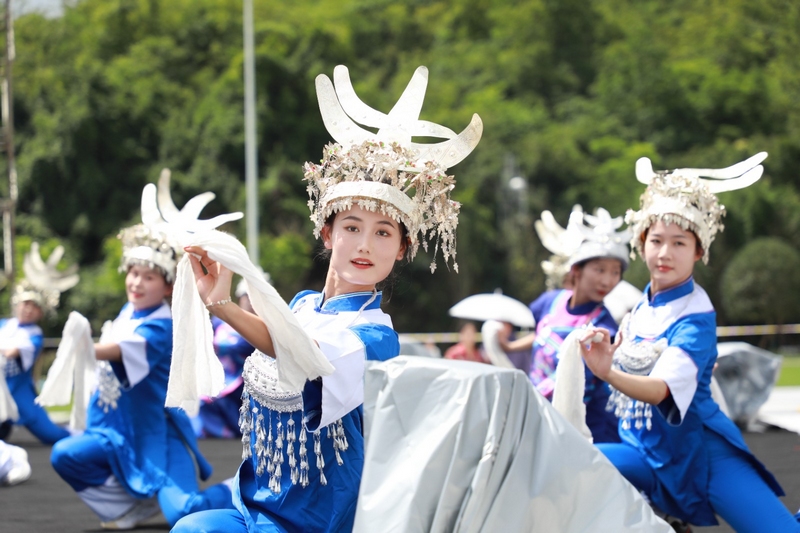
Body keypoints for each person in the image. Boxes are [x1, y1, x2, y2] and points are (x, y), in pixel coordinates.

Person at [170, 64, 481, 532]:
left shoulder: (376, 336)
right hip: (255, 496)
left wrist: (225, 307)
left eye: (382, 233)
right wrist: (219, 299)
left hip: (319, 515)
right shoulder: (297, 307)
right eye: (351, 227)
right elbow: (286, 337)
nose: (363, 246)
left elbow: (304, 358)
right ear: (327, 232)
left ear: (401, 249)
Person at [579, 153, 800, 531]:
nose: (665, 253)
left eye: (679, 243)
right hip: (644, 452)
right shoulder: (641, 306)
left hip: (700, 453)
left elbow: (660, 390)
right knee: (571, 464)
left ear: (699, 251)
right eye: (657, 240)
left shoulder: (696, 316)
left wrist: (608, 373)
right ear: (641, 243)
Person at [50, 171, 239, 529]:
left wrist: (83, 344)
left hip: (154, 435)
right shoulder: (127, 313)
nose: (136, 282)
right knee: (65, 455)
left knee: (186, 512)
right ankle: (133, 506)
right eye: (133, 273)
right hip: (114, 433)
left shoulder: (161, 324)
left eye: (148, 277)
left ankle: (239, 489)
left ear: (168, 287)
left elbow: (117, 351)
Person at [500, 206, 629, 443]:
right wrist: (508, 346)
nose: (607, 280)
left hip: (584, 428)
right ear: (576, 269)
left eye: (615, 272)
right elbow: (541, 334)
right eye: (600, 269)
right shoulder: (550, 302)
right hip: (536, 415)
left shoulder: (603, 324)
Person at [0, 242, 78, 444]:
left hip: (19, 392)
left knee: (53, 436)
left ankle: (81, 435)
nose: (28, 310)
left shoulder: (34, 336)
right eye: (25, 304)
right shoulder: (4, 325)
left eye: (34, 307)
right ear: (17, 304)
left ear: (41, 313)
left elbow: (11, 352)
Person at [193, 275, 270, 439]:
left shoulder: (266, 326)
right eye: (246, 296)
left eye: (255, 297)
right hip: (219, 376)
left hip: (246, 382)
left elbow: (248, 348)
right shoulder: (220, 322)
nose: (250, 301)